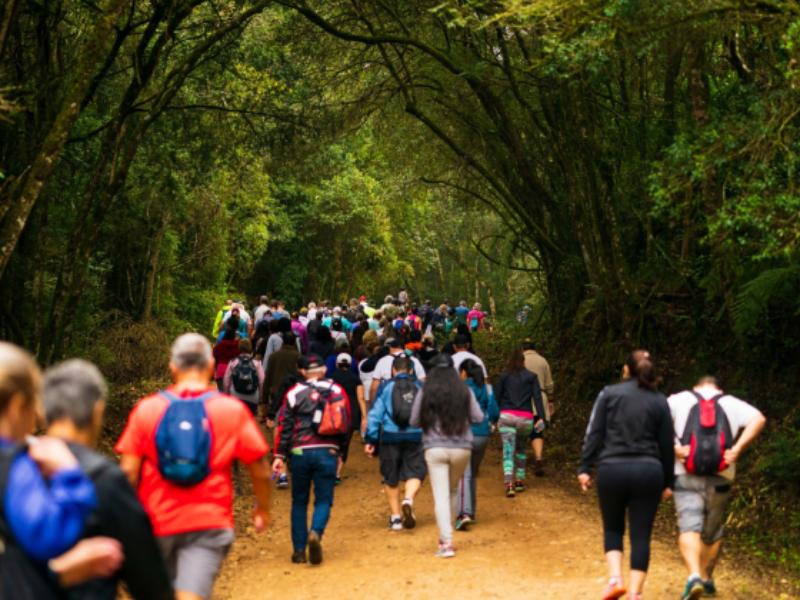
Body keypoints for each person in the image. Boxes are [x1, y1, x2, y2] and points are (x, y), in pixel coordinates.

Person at [116, 333, 272, 600]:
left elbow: (127, 474)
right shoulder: (230, 410)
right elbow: (260, 469)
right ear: (211, 367)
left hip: (156, 523)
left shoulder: (147, 410)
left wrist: (120, 526)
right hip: (208, 522)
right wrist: (263, 508)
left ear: (172, 368)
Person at [42, 359, 173, 600]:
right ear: (97, 412)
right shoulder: (105, 480)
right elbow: (149, 582)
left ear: (44, 412)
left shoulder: (13, 470)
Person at [0, 342, 121, 599]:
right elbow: (51, 535)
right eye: (34, 404)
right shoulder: (14, 463)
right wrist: (69, 474)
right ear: (17, 405)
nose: (39, 416)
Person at [578, 350, 674, 600]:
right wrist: (669, 481)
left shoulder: (609, 394)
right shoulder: (659, 401)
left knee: (613, 528)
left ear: (626, 370)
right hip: (648, 471)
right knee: (641, 534)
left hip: (612, 469)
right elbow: (666, 445)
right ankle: (635, 594)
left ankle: (615, 580)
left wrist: (585, 468)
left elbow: (594, 433)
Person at [668, 376, 766, 600]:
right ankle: (706, 578)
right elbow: (759, 419)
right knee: (712, 531)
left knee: (688, 526)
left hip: (685, 473)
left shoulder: (679, 399)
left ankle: (693, 576)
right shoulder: (731, 402)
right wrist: (738, 448)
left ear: (696, 386)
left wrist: (674, 447)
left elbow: (654, 420)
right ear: (719, 388)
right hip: (721, 475)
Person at [272, 355, 349, 565]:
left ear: (303, 371)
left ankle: (298, 550)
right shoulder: (336, 390)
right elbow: (345, 424)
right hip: (328, 450)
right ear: (323, 370)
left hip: (299, 452)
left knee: (299, 500)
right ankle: (315, 532)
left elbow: (284, 426)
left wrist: (279, 455)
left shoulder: (294, 393)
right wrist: (342, 452)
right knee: (324, 499)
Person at [409, 355, 483, 558]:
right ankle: (446, 536)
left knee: (440, 495)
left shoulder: (426, 391)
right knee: (451, 491)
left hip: (434, 447)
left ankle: (446, 543)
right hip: (462, 448)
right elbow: (478, 417)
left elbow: (414, 420)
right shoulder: (464, 390)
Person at [364, 356, 425, 531]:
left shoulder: (386, 387)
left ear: (393, 370)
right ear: (412, 370)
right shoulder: (420, 387)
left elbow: (375, 415)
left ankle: (396, 518)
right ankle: (408, 499)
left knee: (391, 476)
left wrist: (371, 440)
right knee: (416, 471)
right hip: (416, 435)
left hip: (390, 436)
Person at [494, 348, 545, 497]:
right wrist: (541, 417)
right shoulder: (531, 377)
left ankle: (509, 484)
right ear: (523, 362)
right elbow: (537, 398)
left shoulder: (504, 377)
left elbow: (496, 398)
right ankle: (520, 480)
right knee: (521, 449)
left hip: (507, 417)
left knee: (508, 450)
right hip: (525, 418)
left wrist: (493, 417)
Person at [455, 359, 498, 531]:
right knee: (471, 473)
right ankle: (471, 511)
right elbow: (495, 411)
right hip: (482, 436)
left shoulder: (461, 388)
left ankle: (464, 513)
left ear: (464, 372)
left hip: (465, 434)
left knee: (463, 474)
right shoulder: (487, 388)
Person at [329, 353, 366, 483]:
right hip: (351, 414)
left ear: (337, 364)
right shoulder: (356, 379)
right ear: (350, 365)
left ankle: (330, 469)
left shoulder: (331, 378)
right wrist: (364, 417)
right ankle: (337, 474)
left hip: (334, 413)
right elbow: (361, 398)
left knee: (333, 441)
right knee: (345, 444)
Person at [523, 340, 554, 476]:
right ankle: (538, 457)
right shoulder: (543, 361)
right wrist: (551, 400)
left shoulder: (520, 360)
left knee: (521, 430)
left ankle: (519, 460)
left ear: (523, 348)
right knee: (537, 431)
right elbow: (549, 384)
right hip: (540, 398)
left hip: (523, 398)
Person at [223, 338, 265, 416]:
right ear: (250, 348)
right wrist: (260, 398)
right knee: (248, 422)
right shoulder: (257, 363)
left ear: (239, 348)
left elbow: (226, 381)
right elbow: (262, 381)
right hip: (252, 398)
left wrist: (227, 395)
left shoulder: (233, 362)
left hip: (235, 397)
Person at [212, 319, 240, 391]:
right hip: (234, 370)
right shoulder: (237, 345)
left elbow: (213, 356)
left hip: (221, 369)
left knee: (222, 394)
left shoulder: (220, 345)